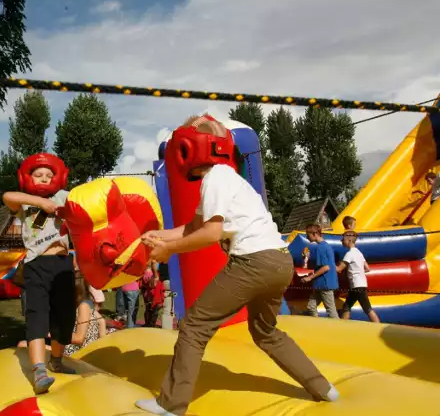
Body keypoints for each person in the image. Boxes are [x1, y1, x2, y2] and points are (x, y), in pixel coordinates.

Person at [134, 115, 338, 416]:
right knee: (266, 331)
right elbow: (193, 227)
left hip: (253, 261)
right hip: (279, 262)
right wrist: (159, 236)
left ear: (187, 151)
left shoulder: (215, 178)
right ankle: (323, 388)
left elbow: (211, 234)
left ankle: (171, 405)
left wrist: (168, 250)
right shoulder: (227, 178)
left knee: (194, 326)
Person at [2, 153, 76, 395]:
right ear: (29, 177)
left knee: (65, 318)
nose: (44, 178)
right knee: (37, 315)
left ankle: (56, 359)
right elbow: (7, 197)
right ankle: (39, 370)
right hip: (37, 264)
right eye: (38, 175)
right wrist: (40, 203)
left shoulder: (64, 196)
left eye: (49, 175)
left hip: (63, 264)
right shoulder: (26, 201)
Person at [336, 231, 380, 323]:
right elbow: (367, 268)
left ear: (349, 240)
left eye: (343, 239)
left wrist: (328, 265)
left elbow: (339, 269)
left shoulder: (349, 254)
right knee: (347, 306)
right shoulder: (359, 253)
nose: (341, 241)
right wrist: (358, 272)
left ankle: (378, 326)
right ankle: (342, 326)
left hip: (356, 285)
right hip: (360, 284)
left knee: (367, 308)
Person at [302, 224, 340, 319]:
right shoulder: (325, 246)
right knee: (311, 307)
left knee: (331, 312)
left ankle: (340, 331)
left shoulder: (321, 248)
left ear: (314, 234)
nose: (307, 237)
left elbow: (326, 267)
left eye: (308, 234)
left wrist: (310, 277)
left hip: (325, 283)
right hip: (321, 284)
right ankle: (316, 328)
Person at [64, 274, 107, 356]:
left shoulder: (83, 306)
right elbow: (101, 320)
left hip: (79, 353)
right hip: (83, 349)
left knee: (38, 346)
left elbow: (79, 338)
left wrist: (54, 334)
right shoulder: (87, 302)